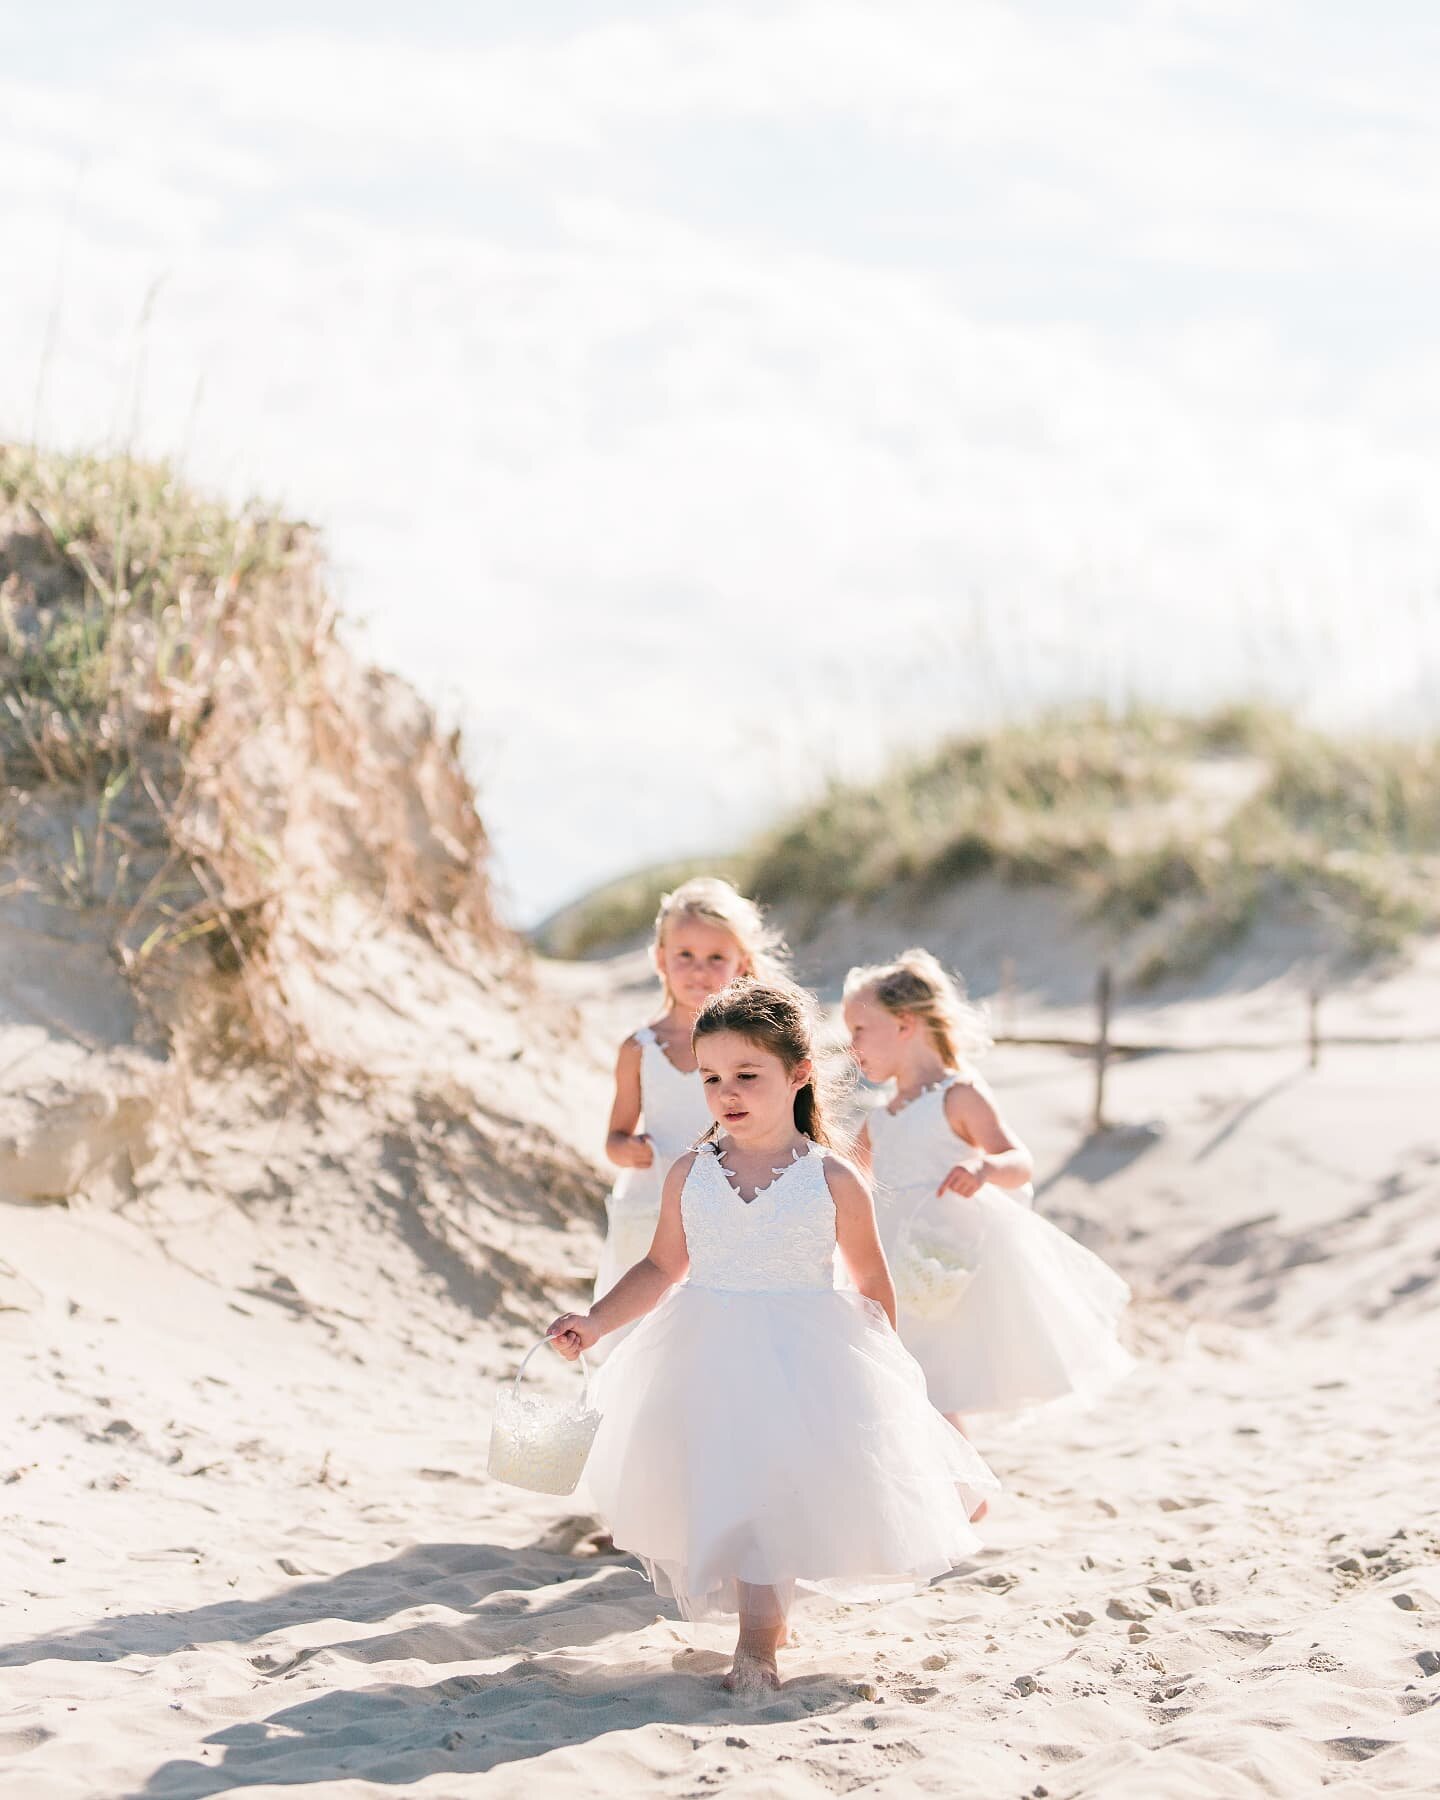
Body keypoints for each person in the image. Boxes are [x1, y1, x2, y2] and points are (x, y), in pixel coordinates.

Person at [549, 978, 998, 1693]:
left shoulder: (832, 1178)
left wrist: (878, 1367)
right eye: (712, 1077)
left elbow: (873, 1281)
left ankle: (757, 1642)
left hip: (802, 1355)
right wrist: (596, 1319)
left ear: (798, 1074)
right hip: (706, 1353)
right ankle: (767, 1614)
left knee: (775, 1489)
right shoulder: (691, 1172)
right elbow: (662, 1265)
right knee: (727, 1483)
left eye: (747, 1075)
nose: (728, 1092)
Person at [844, 949, 1133, 1438]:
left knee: (930, 1370)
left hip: (941, 1257)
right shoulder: (879, 1116)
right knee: (905, 1366)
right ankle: (954, 1484)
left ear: (905, 1024)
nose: (851, 1046)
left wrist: (983, 1166)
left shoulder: (958, 1096)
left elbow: (1020, 1163)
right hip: (888, 1256)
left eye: (859, 1031)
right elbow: (845, 1175)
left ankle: (960, 1484)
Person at [592, 878, 787, 1358]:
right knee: (641, 1336)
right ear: (660, 958)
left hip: (731, 1199)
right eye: (685, 956)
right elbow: (614, 1138)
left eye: (715, 958)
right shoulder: (640, 1048)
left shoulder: (757, 1046)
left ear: (740, 962)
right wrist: (628, 1148)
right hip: (651, 1201)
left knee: (712, 1334)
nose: (699, 971)